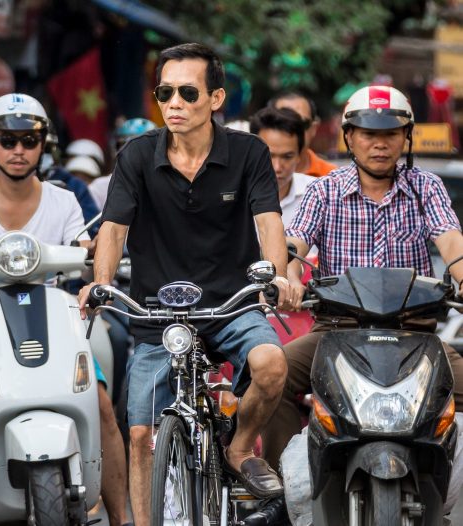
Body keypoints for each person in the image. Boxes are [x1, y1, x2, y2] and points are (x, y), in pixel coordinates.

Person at [77, 42, 293, 525]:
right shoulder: (136, 156)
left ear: (216, 99)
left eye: (187, 92)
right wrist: (102, 283)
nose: (173, 103)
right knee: (138, 434)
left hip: (232, 307)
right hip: (161, 313)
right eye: (164, 92)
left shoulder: (249, 153)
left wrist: (276, 277)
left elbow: (269, 223)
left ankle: (238, 449)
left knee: (272, 364)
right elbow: (113, 229)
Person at [260, 85, 463, 519]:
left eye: (391, 133)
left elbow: (451, 242)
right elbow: (293, 249)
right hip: (335, 334)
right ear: (348, 137)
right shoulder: (325, 191)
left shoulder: (426, 187)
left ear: (406, 138)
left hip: (416, 336)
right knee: (270, 377)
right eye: (367, 133)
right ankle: (280, 496)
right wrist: (288, 278)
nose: (379, 143)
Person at [0, 93, 129, 525]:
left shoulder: (64, 201)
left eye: (28, 140)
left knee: (101, 404)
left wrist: (95, 256)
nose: (17, 150)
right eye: (6, 139)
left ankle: (123, 518)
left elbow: (84, 250)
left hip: (50, 315)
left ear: (43, 145)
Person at [249, 106, 318, 229]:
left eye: (287, 157)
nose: (277, 167)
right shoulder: (230, 196)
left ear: (299, 155)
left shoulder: (318, 195)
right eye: (268, 156)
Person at [91, 118, 159, 209]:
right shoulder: (100, 187)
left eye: (140, 147)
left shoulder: (171, 183)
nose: (130, 153)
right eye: (124, 146)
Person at [270, 91, 337, 177]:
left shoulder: (332, 177)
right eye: (283, 122)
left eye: (301, 124)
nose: (293, 130)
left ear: (314, 128)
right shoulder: (252, 173)